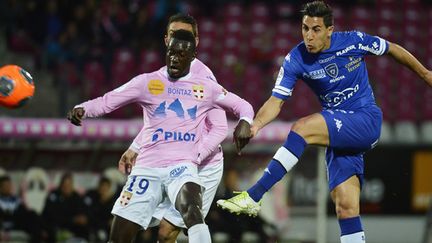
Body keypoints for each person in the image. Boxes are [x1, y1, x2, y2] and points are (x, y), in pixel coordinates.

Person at [217, 1, 432, 243]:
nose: (309, 36)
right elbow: (276, 101)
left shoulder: (353, 41)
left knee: (301, 128)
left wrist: (426, 74)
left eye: (316, 29)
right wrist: (255, 125)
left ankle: (254, 196)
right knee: (346, 207)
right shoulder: (295, 58)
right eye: (305, 28)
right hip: (340, 133)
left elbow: (392, 48)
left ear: (330, 30)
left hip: (366, 119)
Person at [67, 29, 254, 243]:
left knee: (192, 209)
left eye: (181, 54)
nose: (174, 58)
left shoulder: (206, 87)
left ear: (193, 57)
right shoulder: (147, 82)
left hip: (182, 166)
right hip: (147, 168)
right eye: (171, 52)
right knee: (118, 237)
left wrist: (244, 122)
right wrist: (83, 108)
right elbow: (109, 100)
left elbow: (243, 105)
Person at [118, 13, 229, 243]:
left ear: (196, 42)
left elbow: (220, 129)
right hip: (170, 163)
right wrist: (135, 147)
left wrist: (190, 158)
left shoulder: (204, 77)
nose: (177, 40)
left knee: (167, 231)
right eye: (172, 35)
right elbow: (161, 122)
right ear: (166, 39)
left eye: (185, 36)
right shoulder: (166, 75)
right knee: (139, 225)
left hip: (203, 166)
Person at [42, 172, 89, 242]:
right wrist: (72, 219)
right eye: (65, 185)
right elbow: (51, 216)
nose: (66, 188)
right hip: (56, 228)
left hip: (72, 229)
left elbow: (81, 213)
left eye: (69, 185)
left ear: (72, 185)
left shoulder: (76, 197)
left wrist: (82, 218)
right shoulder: (54, 195)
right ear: (61, 185)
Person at [0, 175, 44, 243]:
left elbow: (23, 213)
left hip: (18, 223)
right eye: (5, 185)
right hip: (6, 224)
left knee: (33, 214)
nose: (8, 187)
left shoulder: (16, 199)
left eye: (9, 185)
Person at [83, 176, 116, 242]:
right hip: (91, 227)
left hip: (104, 229)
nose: (103, 189)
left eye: (105, 187)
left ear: (109, 188)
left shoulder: (112, 201)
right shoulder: (92, 196)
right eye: (102, 186)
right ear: (99, 187)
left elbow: (111, 220)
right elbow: (90, 215)